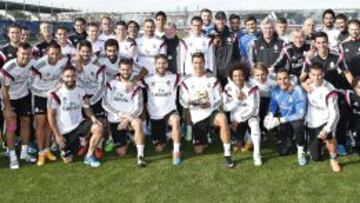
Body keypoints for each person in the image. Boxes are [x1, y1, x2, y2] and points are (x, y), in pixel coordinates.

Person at [301, 32, 353, 155]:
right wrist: (303, 84)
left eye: (324, 42)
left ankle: (340, 142)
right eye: (318, 42)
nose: (322, 45)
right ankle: (321, 142)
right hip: (318, 94)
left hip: (336, 92)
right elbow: (302, 77)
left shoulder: (337, 56)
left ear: (328, 42)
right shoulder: (310, 59)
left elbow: (347, 73)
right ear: (315, 44)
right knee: (320, 117)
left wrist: (356, 87)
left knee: (341, 116)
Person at [180, 52, 235, 168]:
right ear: (192, 64)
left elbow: (220, 100)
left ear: (204, 63)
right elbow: (183, 102)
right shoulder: (186, 82)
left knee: (223, 118)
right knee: (199, 150)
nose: (198, 65)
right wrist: (196, 103)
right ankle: (208, 136)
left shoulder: (213, 79)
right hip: (197, 118)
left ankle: (227, 154)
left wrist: (210, 104)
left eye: (200, 62)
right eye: (195, 63)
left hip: (211, 113)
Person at [47, 65, 103, 167]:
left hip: (79, 125)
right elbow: (51, 117)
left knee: (98, 127)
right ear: (62, 77)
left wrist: (93, 118)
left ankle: (89, 156)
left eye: (72, 76)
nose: (70, 79)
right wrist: (58, 135)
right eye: (67, 76)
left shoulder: (81, 91)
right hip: (64, 132)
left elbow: (86, 108)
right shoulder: (55, 94)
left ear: (76, 76)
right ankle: (81, 143)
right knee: (68, 160)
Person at [102, 58, 147, 167]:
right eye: (123, 70)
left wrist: (127, 119)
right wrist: (121, 115)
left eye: (127, 70)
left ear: (131, 70)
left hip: (130, 119)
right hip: (116, 120)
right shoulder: (111, 84)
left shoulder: (136, 87)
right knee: (121, 152)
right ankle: (128, 136)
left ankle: (140, 157)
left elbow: (139, 108)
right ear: (119, 69)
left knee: (138, 123)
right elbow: (105, 104)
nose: (125, 72)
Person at [30, 42, 68, 166]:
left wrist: (59, 85)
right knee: (40, 124)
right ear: (47, 53)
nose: (54, 56)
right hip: (41, 96)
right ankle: (41, 153)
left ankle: (47, 150)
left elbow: (66, 74)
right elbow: (31, 85)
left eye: (57, 54)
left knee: (49, 124)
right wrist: (46, 93)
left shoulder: (64, 60)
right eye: (52, 54)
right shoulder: (39, 64)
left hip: (54, 96)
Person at [1, 43, 36, 169]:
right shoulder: (8, 67)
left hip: (24, 96)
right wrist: (8, 108)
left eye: (28, 54)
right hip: (10, 98)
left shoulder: (32, 63)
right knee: (11, 125)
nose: (25, 57)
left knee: (26, 122)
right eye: (23, 54)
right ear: (17, 53)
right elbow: (4, 89)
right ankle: (12, 157)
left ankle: (23, 153)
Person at [142, 54, 182, 165]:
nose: (161, 65)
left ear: (167, 64)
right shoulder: (148, 80)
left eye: (164, 63)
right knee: (159, 149)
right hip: (155, 115)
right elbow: (133, 81)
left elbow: (190, 77)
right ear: (155, 65)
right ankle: (169, 135)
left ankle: (176, 151)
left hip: (169, 112)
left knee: (175, 120)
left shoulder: (174, 78)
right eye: (159, 63)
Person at [264, 68, 308, 166]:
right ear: (276, 80)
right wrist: (270, 114)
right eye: (279, 79)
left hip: (295, 119)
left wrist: (280, 120)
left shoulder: (298, 90)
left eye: (285, 78)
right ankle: (290, 140)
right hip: (283, 120)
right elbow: (273, 103)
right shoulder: (276, 89)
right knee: (283, 152)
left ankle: (301, 151)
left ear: (289, 78)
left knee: (298, 126)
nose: (282, 81)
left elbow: (300, 114)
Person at [222, 62, 262, 166]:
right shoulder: (228, 88)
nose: (238, 78)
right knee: (237, 147)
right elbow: (225, 107)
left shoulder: (253, 87)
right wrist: (237, 100)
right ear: (231, 77)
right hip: (235, 119)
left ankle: (257, 155)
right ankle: (246, 137)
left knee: (255, 125)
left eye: (240, 75)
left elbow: (254, 109)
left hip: (248, 117)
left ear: (244, 75)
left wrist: (239, 119)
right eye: (235, 76)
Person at [71, 40, 106, 159]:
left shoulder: (98, 66)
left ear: (91, 52)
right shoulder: (73, 63)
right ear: (79, 52)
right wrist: (76, 60)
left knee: (100, 120)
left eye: (87, 51)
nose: (85, 54)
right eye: (83, 51)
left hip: (95, 95)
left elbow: (102, 86)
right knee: (83, 121)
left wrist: (91, 101)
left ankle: (99, 144)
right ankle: (83, 143)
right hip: (80, 95)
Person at [304, 63, 341, 172]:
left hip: (325, 121)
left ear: (323, 74)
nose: (317, 78)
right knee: (315, 157)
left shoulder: (330, 90)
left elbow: (335, 114)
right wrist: (303, 84)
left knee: (329, 136)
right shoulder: (308, 84)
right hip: (311, 122)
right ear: (309, 75)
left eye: (319, 75)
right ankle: (321, 145)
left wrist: (327, 129)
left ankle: (333, 158)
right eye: (314, 75)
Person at [211, 11, 241, 87]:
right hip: (215, 72)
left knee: (229, 95)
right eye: (218, 19)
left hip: (229, 72)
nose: (220, 21)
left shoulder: (232, 35)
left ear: (225, 21)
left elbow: (237, 55)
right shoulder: (210, 35)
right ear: (215, 20)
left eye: (222, 19)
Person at [344, 76, 360, 153]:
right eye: (359, 87)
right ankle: (353, 143)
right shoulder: (349, 95)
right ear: (354, 88)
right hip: (354, 123)